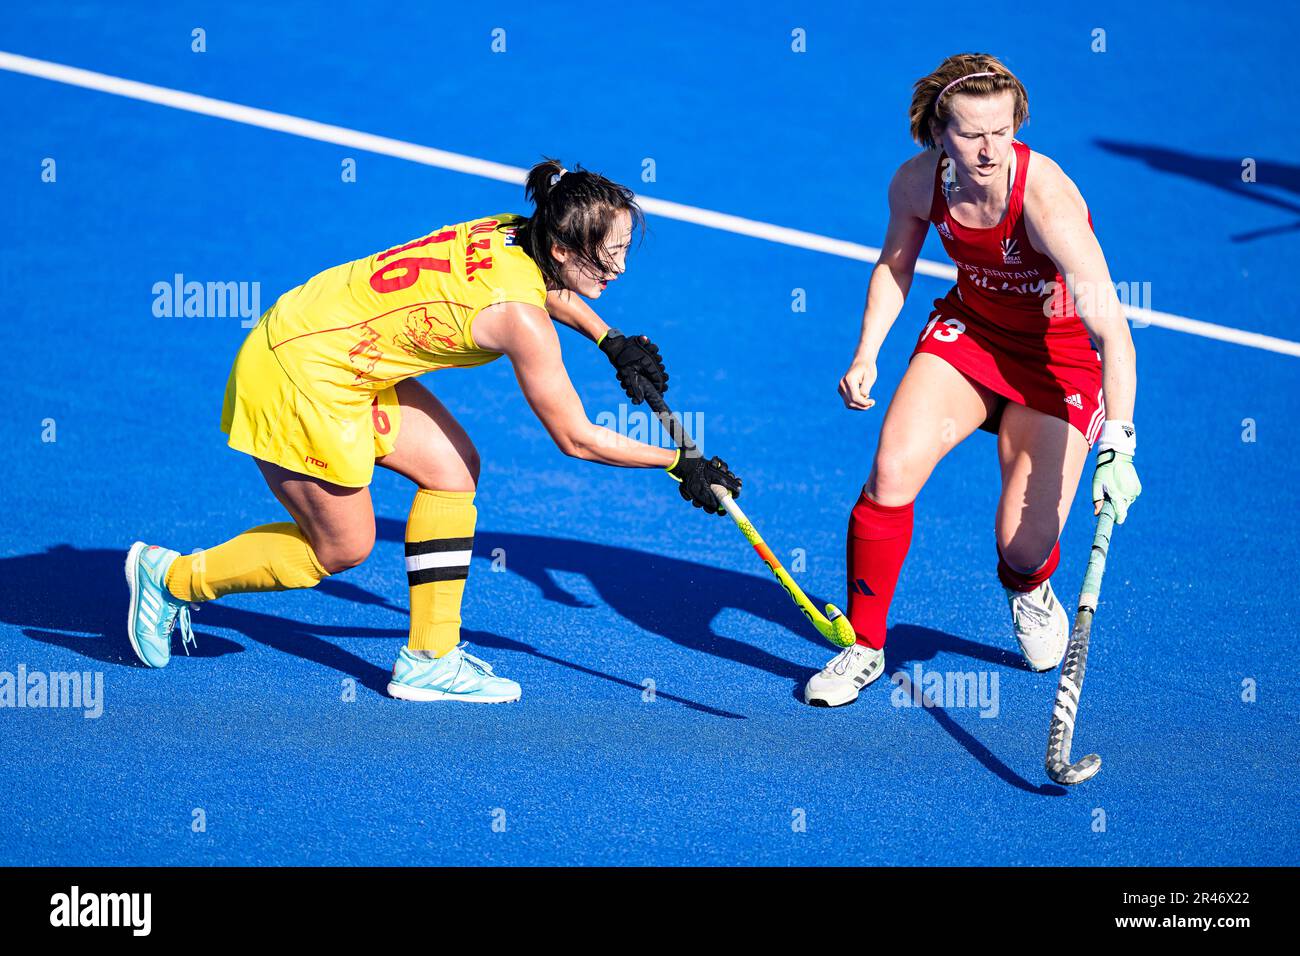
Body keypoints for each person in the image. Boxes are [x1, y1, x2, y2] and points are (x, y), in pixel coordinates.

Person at [125, 159, 742, 703]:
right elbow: (575, 437)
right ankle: (171, 579)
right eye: (610, 256)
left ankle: (428, 659)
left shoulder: (513, 229)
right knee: (341, 548)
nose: (622, 267)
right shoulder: (520, 323)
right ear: (561, 248)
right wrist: (676, 460)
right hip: (300, 376)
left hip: (328, 338)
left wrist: (609, 339)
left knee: (453, 470)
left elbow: (543, 290)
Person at [805, 54, 1141, 707]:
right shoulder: (917, 183)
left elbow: (1114, 333)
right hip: (974, 337)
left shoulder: (1046, 199)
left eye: (1001, 130)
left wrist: (1119, 441)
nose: (989, 150)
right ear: (939, 134)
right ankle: (866, 646)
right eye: (970, 133)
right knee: (890, 472)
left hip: (1058, 363)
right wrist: (867, 351)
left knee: (1022, 545)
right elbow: (894, 266)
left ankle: (1028, 588)